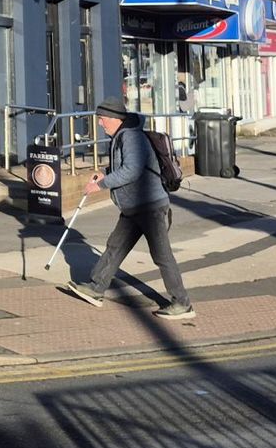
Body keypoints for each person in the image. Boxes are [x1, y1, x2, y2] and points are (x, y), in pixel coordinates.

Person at [61, 99, 195, 320]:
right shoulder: (123, 136)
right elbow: (124, 165)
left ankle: (182, 303)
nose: (101, 124)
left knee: (162, 256)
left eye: (102, 119)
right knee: (115, 246)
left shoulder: (131, 137)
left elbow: (131, 170)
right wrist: (105, 172)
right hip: (135, 206)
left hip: (150, 206)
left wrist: (100, 185)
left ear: (114, 119)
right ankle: (96, 288)